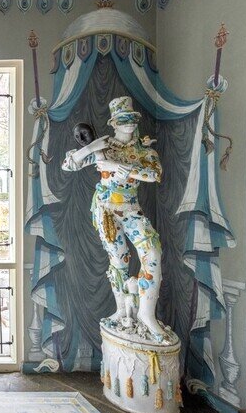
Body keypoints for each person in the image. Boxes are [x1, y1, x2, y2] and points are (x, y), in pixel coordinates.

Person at [62, 96, 168, 341]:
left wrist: (124, 168)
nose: (129, 123)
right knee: (119, 260)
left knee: (152, 253)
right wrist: (91, 149)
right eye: (123, 119)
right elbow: (69, 165)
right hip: (106, 211)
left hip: (131, 210)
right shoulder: (104, 147)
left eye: (132, 119)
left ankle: (146, 315)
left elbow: (155, 175)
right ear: (113, 123)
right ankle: (122, 310)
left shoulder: (144, 151)